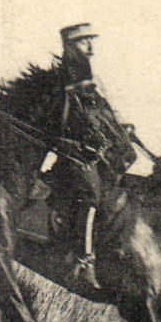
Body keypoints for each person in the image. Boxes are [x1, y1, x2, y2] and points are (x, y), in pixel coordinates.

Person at [49, 23, 137, 287]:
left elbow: (106, 109)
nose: (89, 46)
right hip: (74, 151)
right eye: (82, 41)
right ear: (68, 46)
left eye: (90, 40)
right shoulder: (60, 77)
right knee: (89, 194)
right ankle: (82, 259)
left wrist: (122, 126)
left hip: (97, 150)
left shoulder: (93, 78)